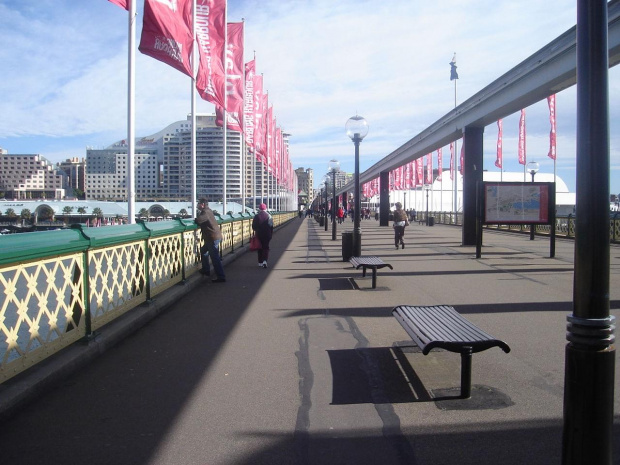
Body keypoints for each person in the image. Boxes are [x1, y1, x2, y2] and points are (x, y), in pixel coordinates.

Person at [195, 198, 226, 283]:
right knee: (203, 250)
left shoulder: (205, 212)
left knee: (215, 258)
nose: (197, 205)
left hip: (212, 238)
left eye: (198, 204)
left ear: (202, 205)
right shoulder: (209, 211)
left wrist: (196, 219)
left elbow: (199, 220)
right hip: (214, 237)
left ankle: (221, 276)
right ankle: (206, 269)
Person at [252, 203, 273, 268]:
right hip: (267, 234)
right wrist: (271, 234)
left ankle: (260, 262)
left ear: (259, 209)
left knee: (260, 248)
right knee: (266, 247)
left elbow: (253, 226)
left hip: (259, 234)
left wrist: (257, 230)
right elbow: (271, 226)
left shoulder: (256, 216)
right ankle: (265, 261)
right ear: (265, 208)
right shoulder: (269, 216)